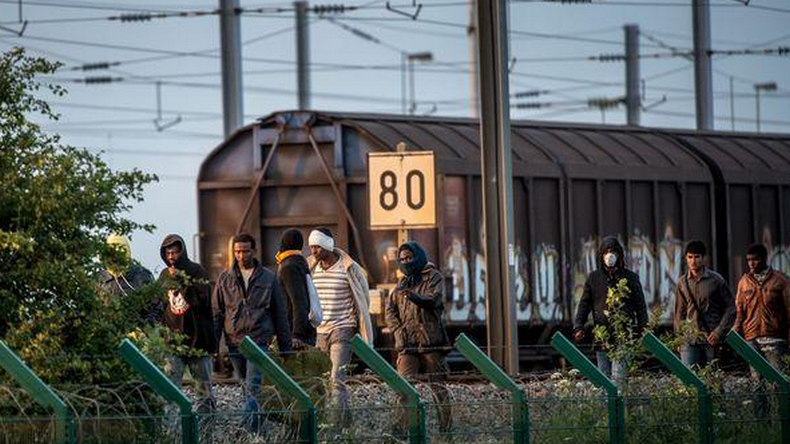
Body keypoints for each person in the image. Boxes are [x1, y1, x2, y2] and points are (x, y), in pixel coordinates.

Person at [213, 233, 292, 431]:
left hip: (258, 340)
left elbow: (279, 312)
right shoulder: (225, 278)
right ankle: (258, 428)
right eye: (237, 251)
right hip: (234, 342)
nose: (241, 255)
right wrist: (214, 346)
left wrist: (285, 346)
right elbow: (217, 313)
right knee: (245, 387)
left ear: (254, 251)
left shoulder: (268, 277)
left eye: (245, 251)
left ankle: (249, 431)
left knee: (252, 387)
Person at [307, 228, 373, 427]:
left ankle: (336, 427)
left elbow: (363, 296)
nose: (313, 251)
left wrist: (357, 323)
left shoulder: (349, 267)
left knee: (336, 380)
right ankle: (342, 424)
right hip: (319, 331)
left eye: (317, 247)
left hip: (343, 328)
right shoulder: (310, 267)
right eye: (311, 247)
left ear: (328, 246)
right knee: (321, 380)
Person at [386, 241, 451, 434]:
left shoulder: (433, 276)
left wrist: (415, 297)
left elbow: (434, 299)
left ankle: (446, 431)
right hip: (407, 343)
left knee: (438, 388)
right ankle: (402, 431)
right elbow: (390, 310)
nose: (406, 261)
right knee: (404, 387)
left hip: (430, 341)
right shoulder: (402, 283)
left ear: (418, 256)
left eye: (409, 257)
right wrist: (397, 331)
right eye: (402, 259)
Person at [150, 234, 216, 413]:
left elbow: (203, 301)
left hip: (198, 343)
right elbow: (159, 303)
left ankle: (206, 428)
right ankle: (172, 429)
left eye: (175, 252)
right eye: (168, 253)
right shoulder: (165, 275)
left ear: (182, 252)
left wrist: (181, 280)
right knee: (170, 393)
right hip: (173, 344)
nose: (171, 256)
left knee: (204, 394)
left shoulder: (197, 271)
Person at [572, 236, 648, 383]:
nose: (609, 255)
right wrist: (578, 326)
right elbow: (584, 305)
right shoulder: (594, 278)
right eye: (606, 252)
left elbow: (640, 307)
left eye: (613, 251)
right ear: (601, 255)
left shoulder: (630, 278)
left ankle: (619, 398)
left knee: (618, 380)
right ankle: (608, 399)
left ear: (619, 254)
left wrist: (643, 328)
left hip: (624, 337)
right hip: (602, 338)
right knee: (604, 381)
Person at [673, 240, 735, 367]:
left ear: (704, 258)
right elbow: (679, 313)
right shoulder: (682, 283)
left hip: (710, 339)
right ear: (686, 258)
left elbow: (731, 308)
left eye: (697, 257)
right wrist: (679, 339)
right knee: (689, 376)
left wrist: (719, 332)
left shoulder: (716, 280)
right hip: (689, 339)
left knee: (711, 377)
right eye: (690, 257)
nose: (693, 261)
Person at [733, 243, 790, 374]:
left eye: (755, 259)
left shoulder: (781, 280)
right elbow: (740, 311)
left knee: (777, 378)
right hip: (751, 339)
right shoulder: (744, 282)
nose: (751, 263)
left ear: (765, 259)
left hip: (775, 339)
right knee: (756, 380)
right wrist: (735, 332)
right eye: (749, 260)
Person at [276, 229, 316, 348]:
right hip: (302, 331)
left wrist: (297, 334)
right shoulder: (299, 261)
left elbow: (299, 302)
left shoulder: (289, 267)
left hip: (294, 334)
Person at [97, 233, 154, 299]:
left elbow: (155, 301)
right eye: (110, 254)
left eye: (118, 254)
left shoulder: (142, 275)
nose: (114, 258)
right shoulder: (97, 279)